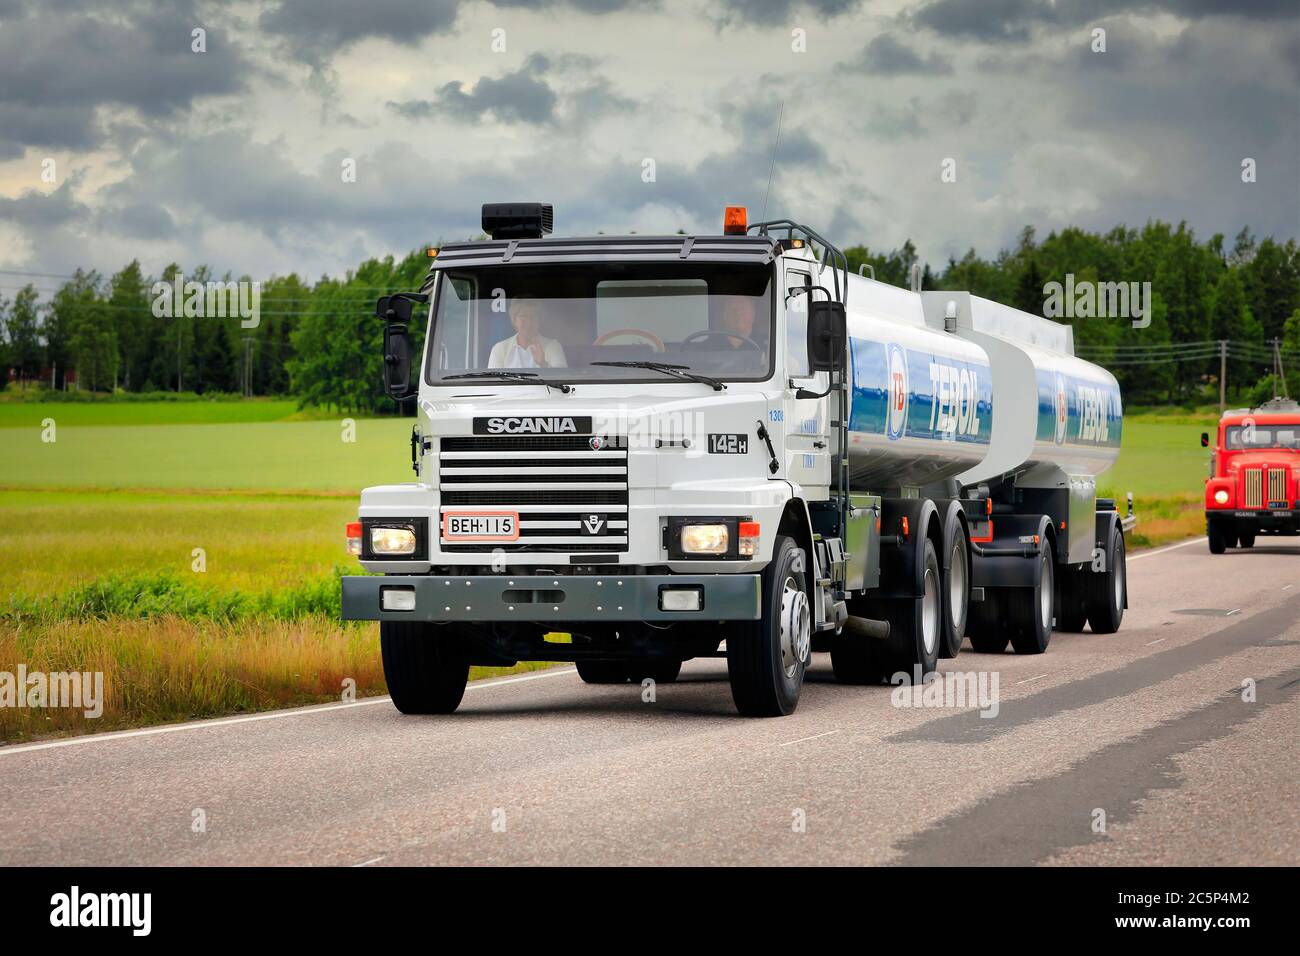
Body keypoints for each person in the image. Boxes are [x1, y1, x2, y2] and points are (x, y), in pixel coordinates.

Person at [487, 296, 567, 369]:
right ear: (514, 320)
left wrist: (543, 364)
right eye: (523, 316)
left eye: (533, 316)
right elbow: (494, 382)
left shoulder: (552, 346)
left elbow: (563, 377)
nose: (529, 323)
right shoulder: (500, 349)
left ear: (539, 320)